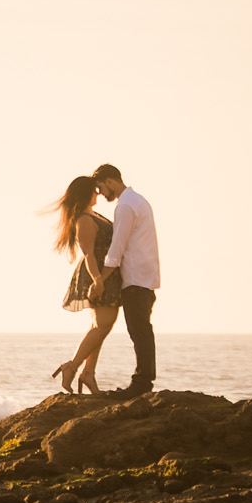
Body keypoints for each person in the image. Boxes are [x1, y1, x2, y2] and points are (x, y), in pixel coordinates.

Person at [48, 175, 120, 394]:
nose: (98, 193)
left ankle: (88, 373)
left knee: (100, 326)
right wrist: (98, 281)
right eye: (94, 190)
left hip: (105, 274)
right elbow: (88, 254)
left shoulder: (92, 215)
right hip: (96, 274)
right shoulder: (84, 220)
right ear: (85, 193)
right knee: (103, 324)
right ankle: (72, 366)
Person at [93, 163, 160, 396]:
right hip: (145, 276)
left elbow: (116, 249)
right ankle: (144, 381)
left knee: (139, 331)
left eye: (101, 188)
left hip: (135, 278)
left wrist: (99, 280)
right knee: (142, 330)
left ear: (110, 181)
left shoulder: (126, 207)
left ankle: (142, 383)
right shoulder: (138, 201)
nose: (101, 194)